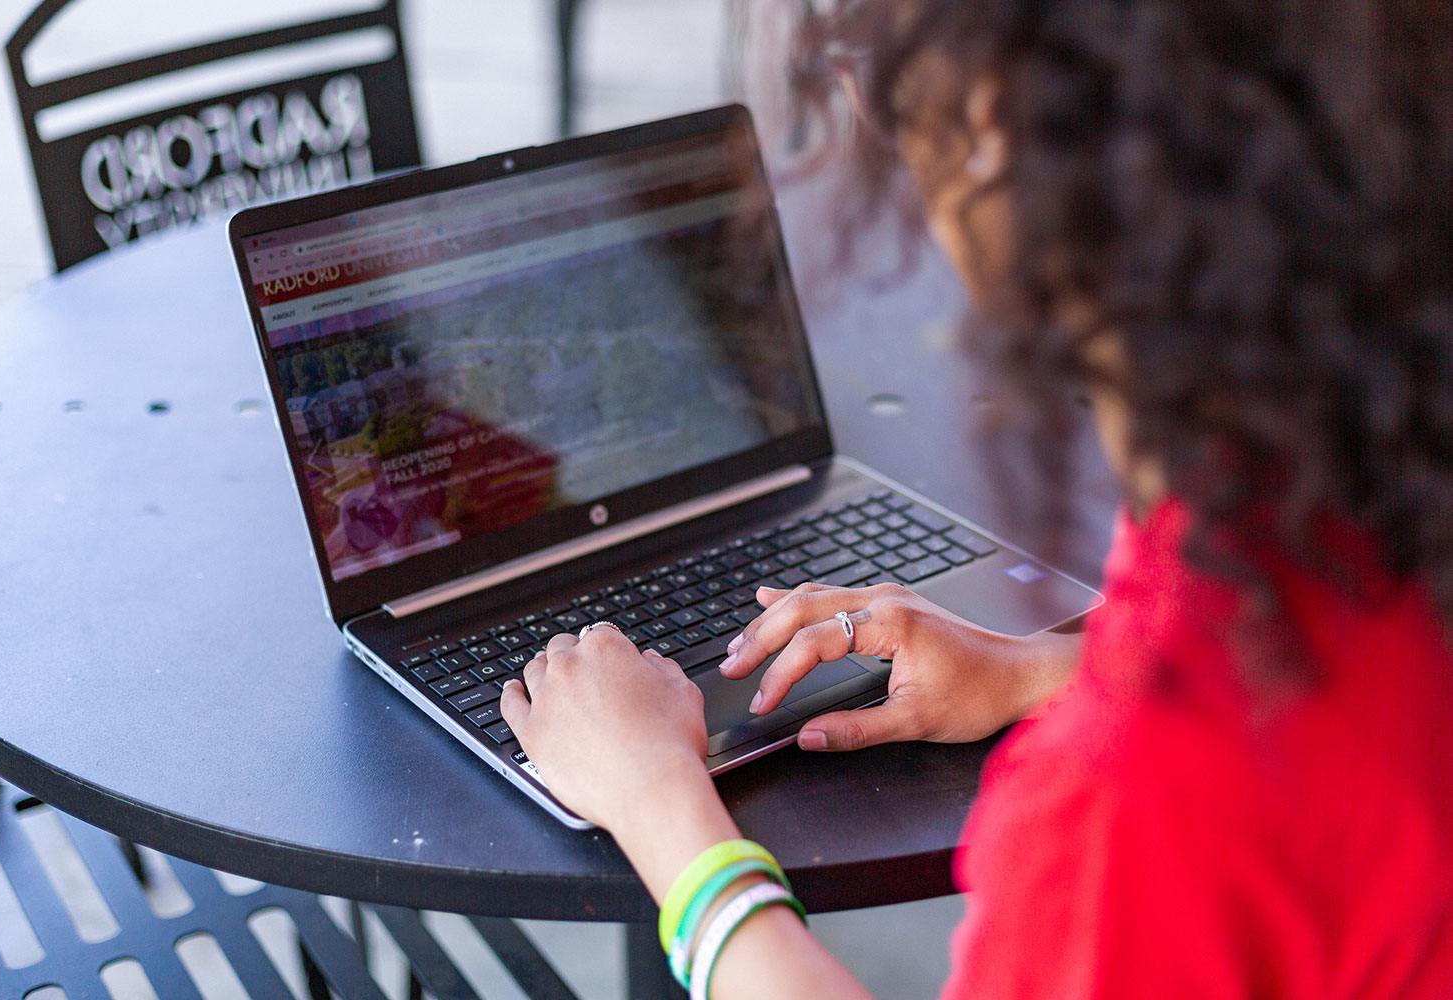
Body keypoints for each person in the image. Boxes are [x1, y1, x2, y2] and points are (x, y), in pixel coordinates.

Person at [501, 0, 1453, 996]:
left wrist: (663, 805)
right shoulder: (1337, 473)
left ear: (993, 126)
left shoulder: (1123, 820)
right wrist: (1040, 670)